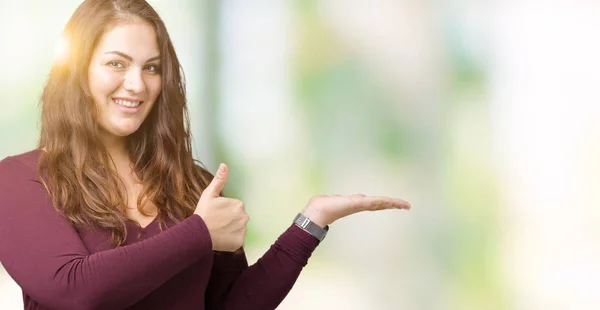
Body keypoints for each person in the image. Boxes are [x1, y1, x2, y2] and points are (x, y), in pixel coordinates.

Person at [0, 1, 411, 309]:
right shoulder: (19, 180)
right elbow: (73, 289)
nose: (137, 85)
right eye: (116, 64)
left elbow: (229, 306)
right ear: (77, 72)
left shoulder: (189, 185)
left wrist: (310, 224)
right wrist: (198, 233)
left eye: (151, 68)